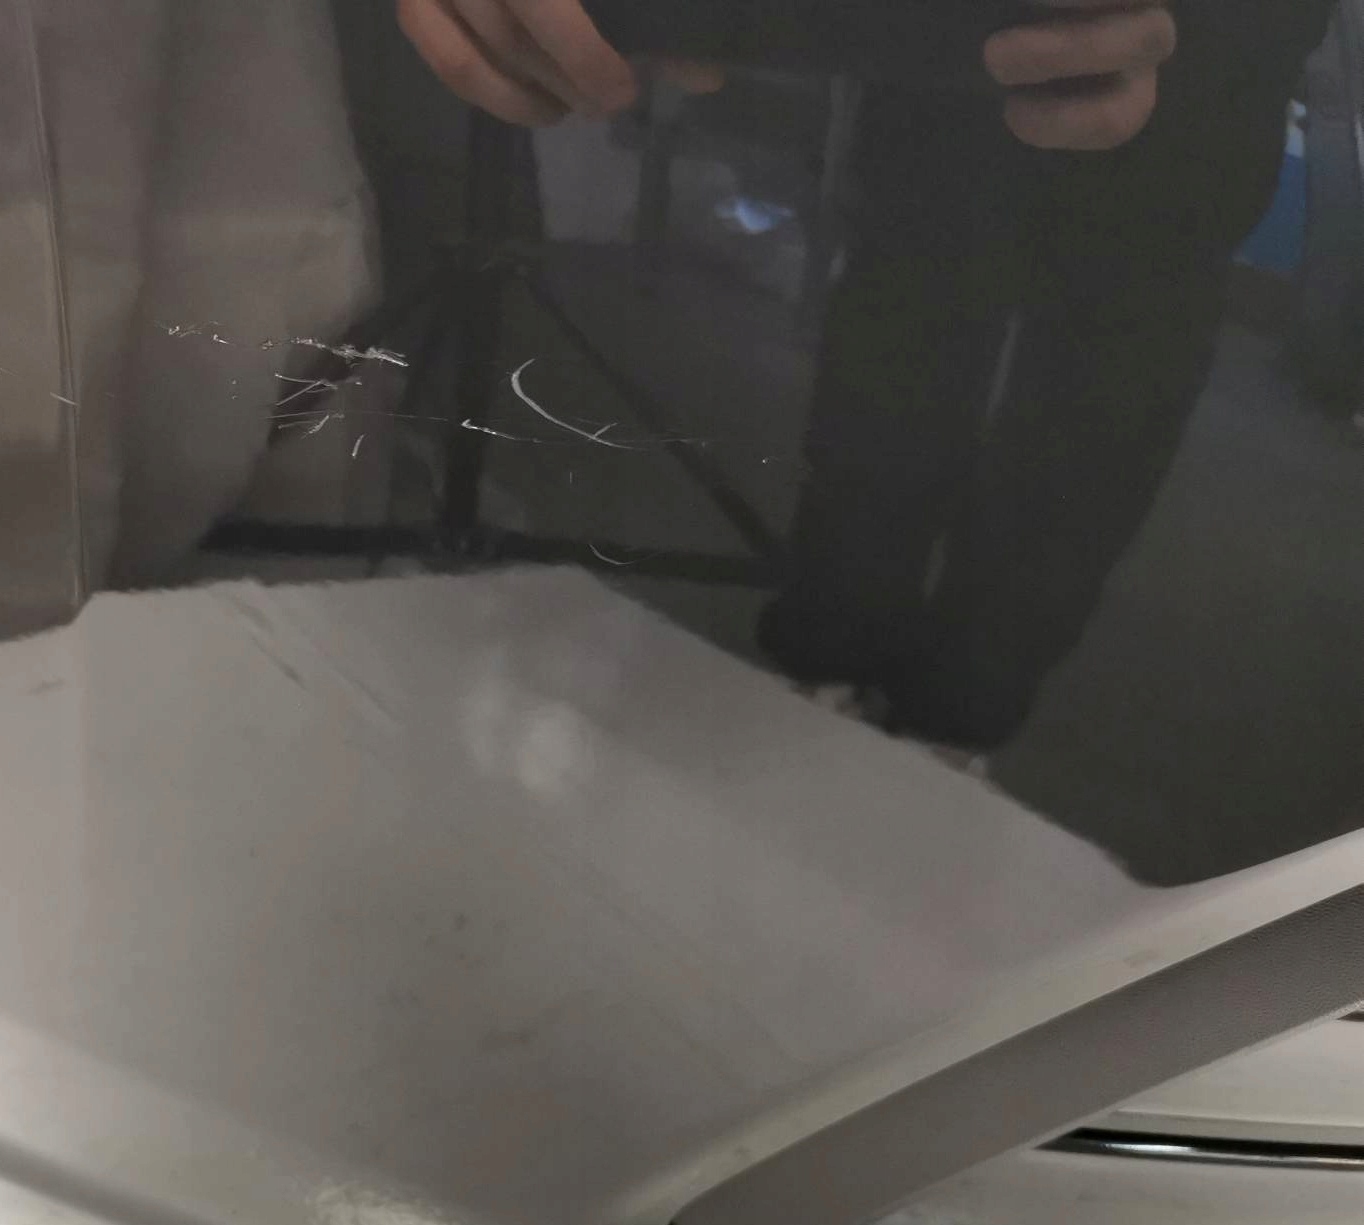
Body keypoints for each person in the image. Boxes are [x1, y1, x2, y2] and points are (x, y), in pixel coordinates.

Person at [398, 0, 1334, 753]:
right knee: (927, 295)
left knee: (1102, 354)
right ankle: (848, 654)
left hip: (1220, 44)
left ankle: (958, 707)